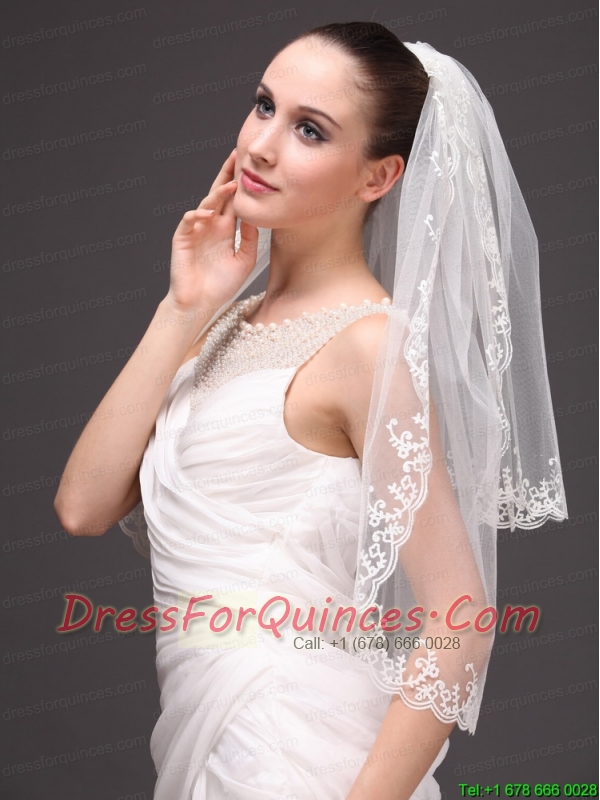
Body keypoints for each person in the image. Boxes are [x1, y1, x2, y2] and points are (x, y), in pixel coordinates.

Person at [54, 22, 568, 800]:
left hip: (297, 759)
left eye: (309, 130)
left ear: (378, 176)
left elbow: (459, 619)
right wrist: (183, 306)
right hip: (206, 745)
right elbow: (83, 507)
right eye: (264, 106)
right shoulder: (221, 324)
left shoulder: (369, 348)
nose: (261, 146)